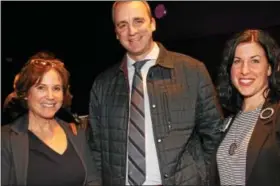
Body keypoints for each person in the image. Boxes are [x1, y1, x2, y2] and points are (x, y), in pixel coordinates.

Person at [88, 1, 223, 185]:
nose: (132, 31)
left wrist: (203, 177)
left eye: (138, 21)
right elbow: (96, 149)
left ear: (152, 23)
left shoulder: (192, 71)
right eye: (123, 25)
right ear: (116, 33)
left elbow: (213, 133)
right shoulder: (103, 85)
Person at [1, 52, 100, 186]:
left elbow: (92, 179)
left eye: (56, 88)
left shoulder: (75, 133)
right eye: (41, 88)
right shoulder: (6, 140)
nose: (50, 96)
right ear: (26, 93)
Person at [210, 29, 280, 186]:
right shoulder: (228, 122)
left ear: (270, 68)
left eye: (255, 61)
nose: (244, 70)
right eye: (237, 61)